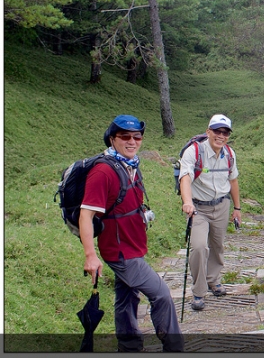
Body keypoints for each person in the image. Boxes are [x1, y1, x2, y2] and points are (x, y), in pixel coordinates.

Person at [79, 115, 184, 352]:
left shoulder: (130, 164)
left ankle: (128, 347)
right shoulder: (103, 171)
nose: (132, 141)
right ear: (112, 139)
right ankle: (175, 348)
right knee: (162, 296)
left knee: (126, 297)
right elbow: (86, 215)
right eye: (125, 137)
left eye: (137, 136)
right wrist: (90, 255)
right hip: (120, 251)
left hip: (132, 245)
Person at [178, 114, 242, 311]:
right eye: (217, 131)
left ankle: (214, 280)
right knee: (198, 247)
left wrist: (237, 209)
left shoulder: (230, 154)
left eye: (225, 132)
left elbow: (233, 181)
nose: (220, 135)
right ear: (208, 132)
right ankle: (198, 291)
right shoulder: (194, 152)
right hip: (198, 208)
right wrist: (187, 202)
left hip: (222, 205)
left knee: (217, 245)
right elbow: (185, 178)